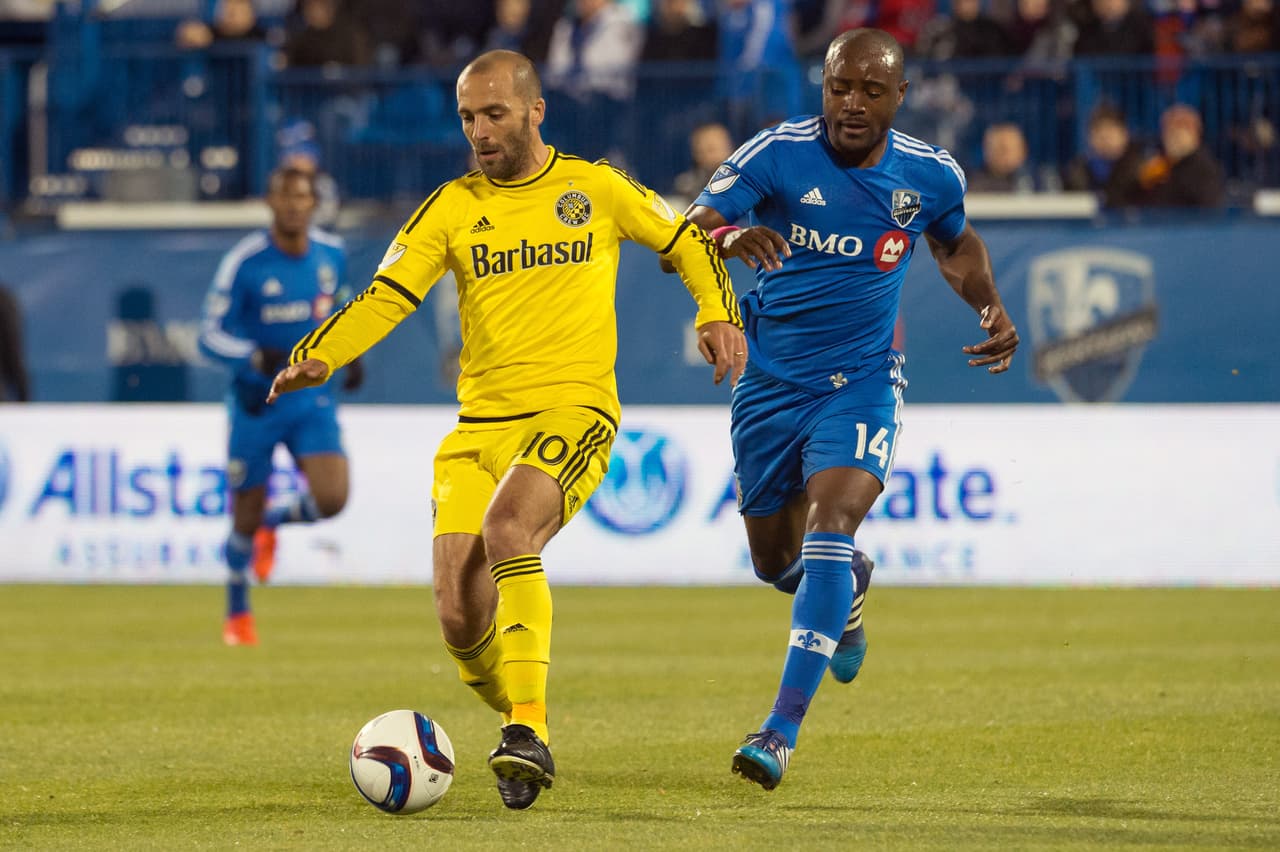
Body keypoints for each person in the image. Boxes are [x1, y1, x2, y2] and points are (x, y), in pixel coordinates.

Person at [266, 50, 745, 810]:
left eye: (493, 114)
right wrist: (319, 354)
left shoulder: (594, 187)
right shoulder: (451, 206)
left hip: (573, 410)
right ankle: (525, 718)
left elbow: (685, 238)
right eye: (467, 117)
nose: (480, 131)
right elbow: (388, 294)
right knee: (459, 616)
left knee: (508, 528)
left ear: (535, 110)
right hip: (477, 427)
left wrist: (716, 310)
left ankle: (525, 727)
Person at [674, 27, 1019, 791]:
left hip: (863, 380)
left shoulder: (930, 176)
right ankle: (848, 594)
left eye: (870, 90)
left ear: (901, 96)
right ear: (821, 86)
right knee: (774, 562)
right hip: (768, 385)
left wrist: (990, 307)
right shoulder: (775, 153)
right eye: (839, 87)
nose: (851, 104)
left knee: (832, 525)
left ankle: (778, 732)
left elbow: (955, 246)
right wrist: (731, 233)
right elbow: (686, 230)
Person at [198, 166, 362, 646]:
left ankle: (274, 523)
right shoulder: (244, 263)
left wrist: (352, 354)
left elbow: (347, 308)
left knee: (332, 498)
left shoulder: (332, 254)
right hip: (257, 402)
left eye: (303, 197)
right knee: (242, 513)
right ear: (269, 203)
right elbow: (208, 334)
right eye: (284, 197)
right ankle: (237, 612)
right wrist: (251, 356)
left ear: (314, 204)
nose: (294, 205)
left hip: (311, 399)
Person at [1136, 103, 1226, 208]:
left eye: (1176, 135)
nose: (1169, 140)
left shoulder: (1204, 169)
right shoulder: (1165, 165)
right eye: (1167, 134)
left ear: (1194, 135)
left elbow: (1207, 210)